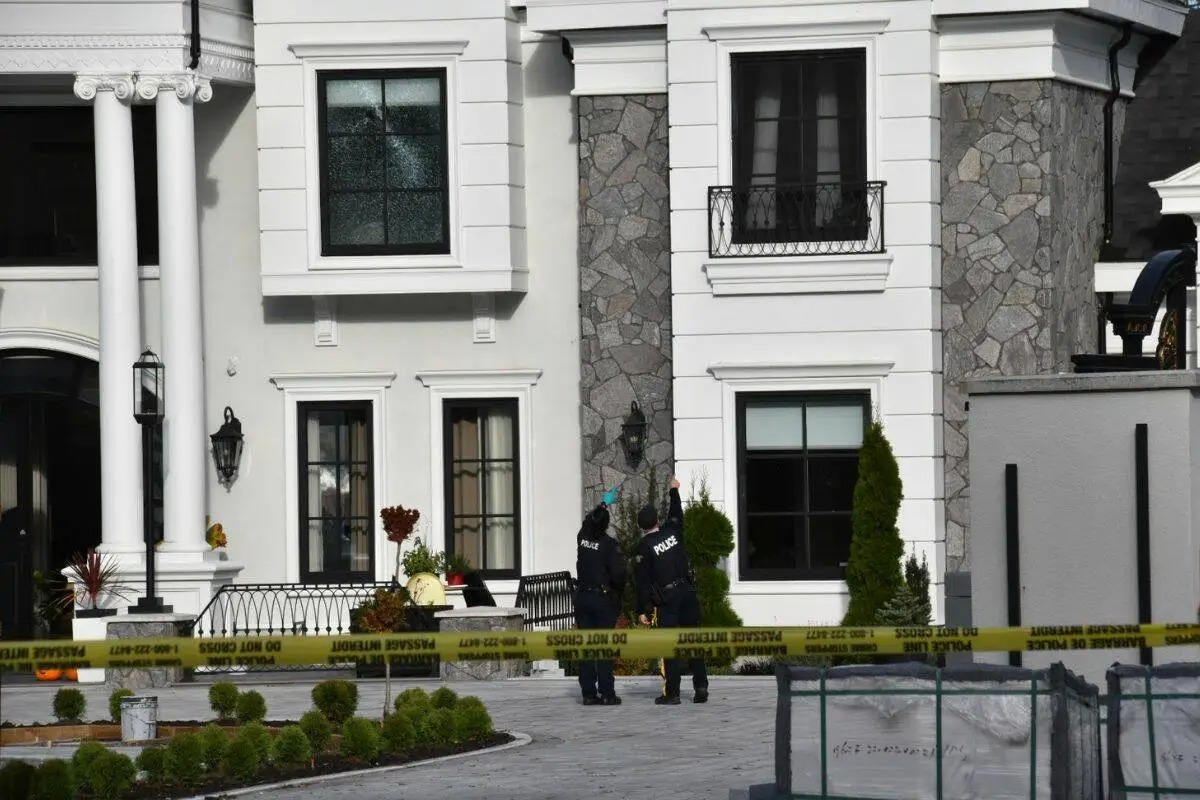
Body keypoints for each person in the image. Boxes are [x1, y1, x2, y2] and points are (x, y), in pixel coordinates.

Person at [635, 476, 709, 705]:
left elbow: (642, 582)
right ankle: (701, 687)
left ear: (641, 527)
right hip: (687, 592)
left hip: (667, 600)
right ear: (658, 520)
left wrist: (642, 610)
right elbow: (677, 512)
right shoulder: (673, 531)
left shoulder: (644, 548)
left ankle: (673, 693)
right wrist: (673, 491)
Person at [574, 487, 626, 706]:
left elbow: (588, 521)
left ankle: (588, 693)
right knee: (604, 646)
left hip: (582, 598)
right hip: (601, 601)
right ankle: (607, 693)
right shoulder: (609, 545)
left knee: (586, 647)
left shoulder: (582, 537)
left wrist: (603, 505)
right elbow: (619, 576)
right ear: (606, 525)